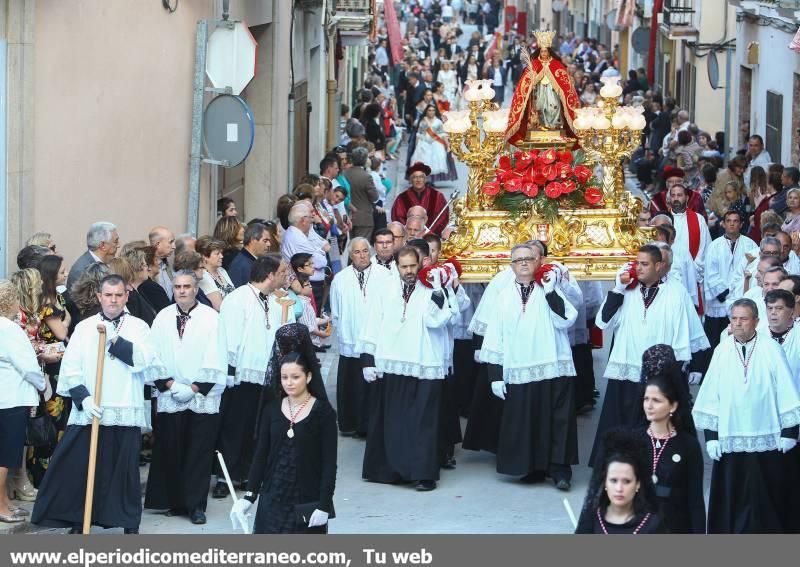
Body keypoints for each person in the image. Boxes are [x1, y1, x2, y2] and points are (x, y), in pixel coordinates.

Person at [31, 275, 164, 534]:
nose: (113, 300)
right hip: (90, 409)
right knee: (78, 465)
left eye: (118, 295)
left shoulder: (138, 327)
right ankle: (81, 519)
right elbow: (71, 368)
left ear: (126, 296)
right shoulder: (85, 327)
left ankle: (126, 520)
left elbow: (150, 362)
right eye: (108, 295)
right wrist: (84, 398)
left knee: (122, 469)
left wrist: (117, 344)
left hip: (123, 407)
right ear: (99, 297)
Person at [590, 245, 709, 464]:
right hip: (627, 369)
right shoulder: (627, 290)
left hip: (658, 372)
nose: (638, 268)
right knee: (622, 422)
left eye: (644, 264)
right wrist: (617, 290)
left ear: (659, 266)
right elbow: (603, 322)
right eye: (637, 263)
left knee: (655, 424)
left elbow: (684, 331)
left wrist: (682, 366)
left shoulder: (676, 292)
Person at [693, 298, 800, 533]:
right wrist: (711, 437)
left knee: (766, 498)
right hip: (731, 439)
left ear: (756, 321)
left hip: (767, 440)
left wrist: (790, 432)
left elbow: (786, 391)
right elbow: (711, 396)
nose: (738, 323)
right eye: (734, 318)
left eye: (744, 319)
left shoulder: (772, 349)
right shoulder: (722, 350)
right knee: (733, 496)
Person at [481, 244, 578, 489]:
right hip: (519, 367)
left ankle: (559, 470)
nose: (523, 263)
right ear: (511, 265)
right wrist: (495, 375)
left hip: (553, 364)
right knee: (528, 420)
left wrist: (550, 290)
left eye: (528, 259)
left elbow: (566, 320)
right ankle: (532, 467)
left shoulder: (550, 288)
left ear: (537, 262)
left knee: (558, 420)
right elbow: (495, 336)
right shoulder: (503, 296)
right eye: (518, 260)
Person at [357, 246, 451, 491]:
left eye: (413, 266)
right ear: (396, 266)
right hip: (390, 362)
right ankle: (390, 470)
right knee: (393, 421)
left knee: (423, 421)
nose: (409, 271)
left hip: (423, 362)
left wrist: (439, 290)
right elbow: (372, 322)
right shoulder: (384, 288)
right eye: (404, 266)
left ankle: (423, 474)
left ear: (420, 263)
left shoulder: (431, 287)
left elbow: (437, 321)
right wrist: (368, 359)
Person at [144, 271, 227, 525]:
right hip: (171, 392)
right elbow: (153, 353)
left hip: (200, 395)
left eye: (187, 287)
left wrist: (194, 388)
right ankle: (175, 501)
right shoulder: (162, 317)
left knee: (198, 451)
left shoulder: (211, 318)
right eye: (177, 286)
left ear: (195, 289)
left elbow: (217, 354)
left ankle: (196, 505)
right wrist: (168, 384)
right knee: (172, 447)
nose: (181, 291)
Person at [212, 256, 294, 499]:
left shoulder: (280, 300)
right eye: (282, 272)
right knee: (235, 427)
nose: (285, 277)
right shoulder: (238, 298)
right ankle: (224, 476)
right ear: (270, 274)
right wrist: (229, 369)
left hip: (269, 374)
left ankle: (250, 473)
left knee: (260, 429)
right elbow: (229, 336)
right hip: (242, 373)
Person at [230, 352, 336, 534]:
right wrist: (249, 496)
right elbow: (261, 456)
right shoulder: (271, 410)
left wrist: (324, 505)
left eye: (295, 377)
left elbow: (329, 463)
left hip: (307, 500)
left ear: (308, 376)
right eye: (284, 377)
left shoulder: (323, 413)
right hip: (273, 498)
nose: (289, 382)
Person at [639, 345, 706, 533]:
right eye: (647, 399)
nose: (650, 406)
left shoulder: (687, 445)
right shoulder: (634, 439)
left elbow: (695, 500)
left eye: (658, 400)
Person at [330, 238, 393, 437]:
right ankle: (351, 424)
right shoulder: (340, 279)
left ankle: (373, 426)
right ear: (351, 255)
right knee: (352, 387)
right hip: (350, 339)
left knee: (373, 388)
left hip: (375, 340)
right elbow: (336, 311)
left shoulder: (386, 275)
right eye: (357, 252)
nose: (362, 255)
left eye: (365, 251)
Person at [0, 280, 46, 524]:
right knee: (6, 456)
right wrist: (41, 384)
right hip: (10, 399)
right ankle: (1, 507)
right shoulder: (8, 328)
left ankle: (5, 501)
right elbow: (26, 365)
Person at [575, 429, 665, 534]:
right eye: (613, 480)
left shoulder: (652, 525)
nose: (619, 488)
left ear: (638, 484)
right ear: (604, 482)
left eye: (626, 481)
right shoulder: (592, 520)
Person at [505, 30, 580, 146]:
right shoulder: (534, 64)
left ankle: (553, 126)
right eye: (542, 51)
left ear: (549, 52)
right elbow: (525, 84)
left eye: (546, 51)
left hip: (552, 92)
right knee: (540, 107)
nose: (544, 53)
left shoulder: (556, 64)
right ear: (539, 51)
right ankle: (540, 125)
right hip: (539, 92)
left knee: (553, 108)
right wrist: (532, 81)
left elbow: (565, 85)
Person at [703, 210, 758, 351]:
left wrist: (739, 294)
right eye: (729, 221)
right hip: (718, 302)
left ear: (741, 224)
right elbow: (710, 273)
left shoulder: (750, 245)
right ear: (723, 224)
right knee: (715, 342)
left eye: (735, 221)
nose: (732, 224)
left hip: (741, 297)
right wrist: (725, 293)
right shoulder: (715, 245)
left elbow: (752, 270)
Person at [391, 162, 450, 235]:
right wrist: (410, 232)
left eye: (421, 177)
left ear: (425, 179)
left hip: (431, 237)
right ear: (410, 180)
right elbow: (398, 217)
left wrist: (429, 232)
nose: (418, 180)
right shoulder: (402, 198)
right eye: (415, 177)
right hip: (409, 238)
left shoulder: (437, 196)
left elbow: (443, 217)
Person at [409, 105, 457, 182]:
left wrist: (447, 145)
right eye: (429, 110)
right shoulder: (422, 121)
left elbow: (442, 134)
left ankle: (432, 180)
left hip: (436, 143)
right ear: (426, 111)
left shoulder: (438, 121)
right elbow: (418, 134)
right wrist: (416, 146)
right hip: (424, 143)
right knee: (424, 161)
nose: (431, 112)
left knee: (436, 161)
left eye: (433, 110)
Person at [67, 222, 120, 291]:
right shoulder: (82, 271)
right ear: (102, 245)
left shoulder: (106, 263)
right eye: (116, 242)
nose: (119, 245)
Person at [340, 147, 379, 240]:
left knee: (351, 248)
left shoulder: (344, 174)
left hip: (348, 216)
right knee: (361, 248)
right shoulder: (366, 176)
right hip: (364, 218)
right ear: (365, 160)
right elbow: (375, 197)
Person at [228, 223, 272, 288]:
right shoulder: (240, 264)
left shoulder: (254, 259)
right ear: (252, 240)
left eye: (269, 240)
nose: (269, 244)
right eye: (265, 241)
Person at [197, 238, 235, 311]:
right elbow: (219, 307)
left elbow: (235, 294)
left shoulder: (221, 270)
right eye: (217, 254)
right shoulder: (203, 275)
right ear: (205, 256)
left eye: (221, 253)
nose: (221, 256)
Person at [148, 226, 176, 300]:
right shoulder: (146, 269)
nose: (174, 246)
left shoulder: (168, 265)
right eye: (171, 242)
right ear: (158, 245)